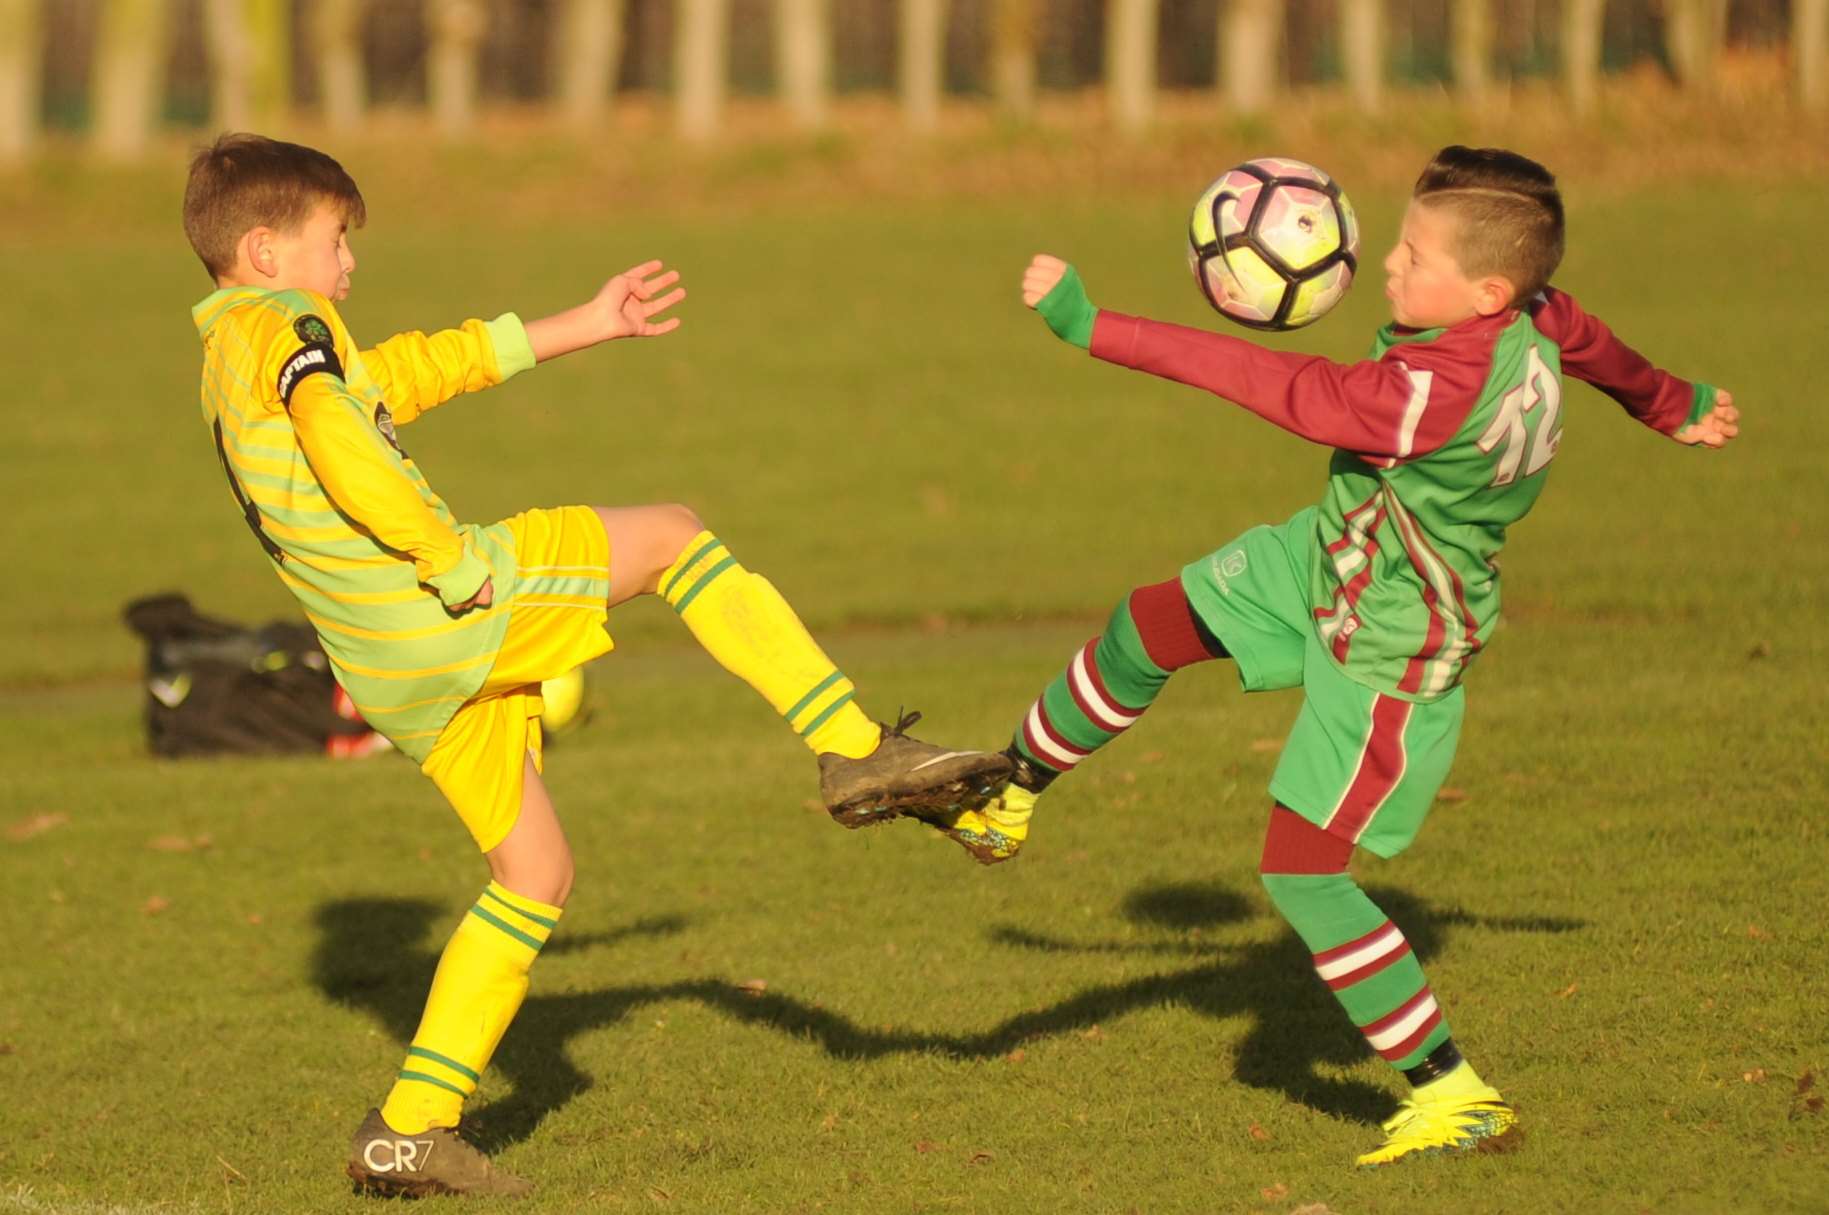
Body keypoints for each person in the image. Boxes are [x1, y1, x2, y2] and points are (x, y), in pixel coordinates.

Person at [182, 132, 1009, 1197]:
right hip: (438, 608)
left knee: (536, 875)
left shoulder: (231, 351)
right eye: (334, 239)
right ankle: (853, 749)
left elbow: (404, 375)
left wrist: (582, 322)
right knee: (671, 534)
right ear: (262, 249)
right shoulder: (285, 325)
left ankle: (405, 1129)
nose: (349, 266)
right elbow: (340, 440)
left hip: (386, 667)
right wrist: (447, 559)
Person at [924, 146, 1738, 1166]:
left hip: (1392, 642)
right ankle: (1010, 793)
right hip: (1336, 558)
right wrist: (1668, 401)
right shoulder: (1529, 313)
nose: (1382, 266)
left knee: (1302, 875)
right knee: (1149, 623)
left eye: (1409, 255)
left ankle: (1454, 1093)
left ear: (1483, 290)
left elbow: (1267, 377)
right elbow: (1591, 341)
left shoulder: (1417, 398)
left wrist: (1096, 328)